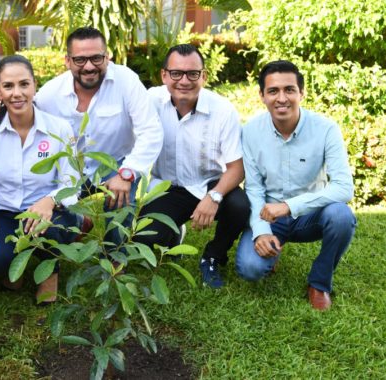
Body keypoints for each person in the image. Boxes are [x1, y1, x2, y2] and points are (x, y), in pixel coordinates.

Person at [236, 60, 357, 310]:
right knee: (250, 268)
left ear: (302, 92)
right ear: (262, 96)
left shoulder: (326, 129)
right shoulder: (250, 132)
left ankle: (319, 284)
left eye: (289, 90)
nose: (282, 98)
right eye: (273, 91)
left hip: (311, 215)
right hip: (268, 217)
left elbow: (344, 188)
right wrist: (261, 231)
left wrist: (288, 206)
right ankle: (271, 251)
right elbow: (254, 188)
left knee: (341, 216)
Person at [0, 55, 82, 304]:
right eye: (8, 86)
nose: (17, 93)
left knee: (52, 230)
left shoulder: (58, 128)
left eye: (23, 84)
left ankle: (50, 271)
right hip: (5, 212)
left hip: (49, 212)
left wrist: (48, 202)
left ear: (34, 85)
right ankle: (16, 259)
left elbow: (72, 182)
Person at [134, 44, 250, 289]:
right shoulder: (149, 101)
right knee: (144, 237)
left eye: (192, 74)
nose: (184, 81)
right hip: (168, 186)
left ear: (204, 76)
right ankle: (174, 233)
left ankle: (213, 257)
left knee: (240, 206)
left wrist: (214, 196)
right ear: (164, 75)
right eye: (176, 73)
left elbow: (237, 168)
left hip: (210, 182)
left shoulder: (223, 110)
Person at [34, 27, 162, 247]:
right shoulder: (49, 95)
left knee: (119, 206)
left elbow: (150, 131)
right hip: (72, 167)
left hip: (116, 164)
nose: (89, 66)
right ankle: (79, 222)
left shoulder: (126, 81)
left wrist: (127, 173)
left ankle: (115, 256)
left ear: (107, 56)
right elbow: (26, 118)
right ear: (67, 61)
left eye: (96, 58)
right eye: (80, 59)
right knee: (51, 208)